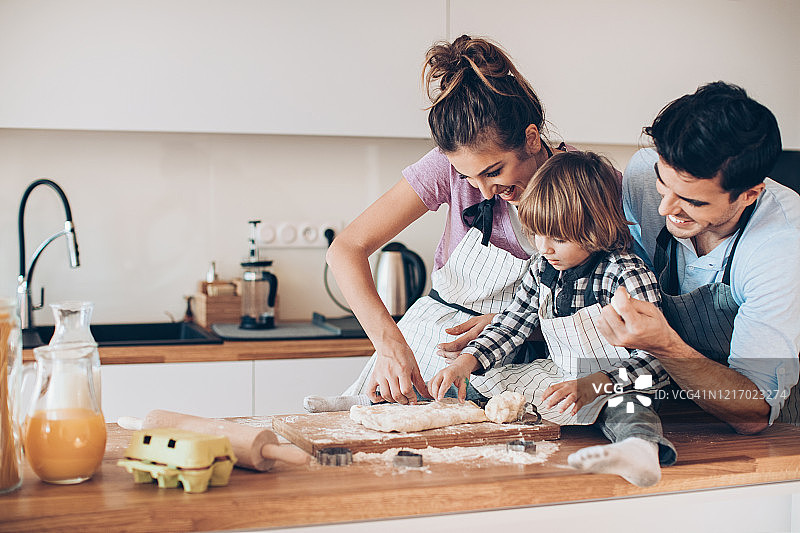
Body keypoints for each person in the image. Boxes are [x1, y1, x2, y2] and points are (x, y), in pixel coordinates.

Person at [308, 35, 590, 412]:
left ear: (532, 138)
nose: (485, 192)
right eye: (469, 177)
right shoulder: (446, 167)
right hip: (430, 345)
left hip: (527, 359)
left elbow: (616, 298)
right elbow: (345, 249)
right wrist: (390, 345)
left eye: (494, 171)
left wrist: (521, 323)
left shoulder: (588, 184)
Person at [431, 150, 676, 487]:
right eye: (536, 234)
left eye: (558, 238)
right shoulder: (543, 267)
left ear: (595, 226)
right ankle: (402, 411)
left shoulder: (624, 274)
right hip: (562, 376)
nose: (544, 247)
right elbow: (510, 324)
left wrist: (597, 383)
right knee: (481, 386)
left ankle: (640, 452)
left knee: (631, 408)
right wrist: (466, 362)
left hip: (622, 381)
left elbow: (658, 359)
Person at [597, 81, 800, 433]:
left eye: (693, 201)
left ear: (749, 194)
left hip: (758, 424)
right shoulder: (645, 172)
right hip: (668, 396)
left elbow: (754, 414)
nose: (665, 208)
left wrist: (664, 345)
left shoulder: (781, 247)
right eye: (665, 183)